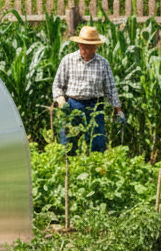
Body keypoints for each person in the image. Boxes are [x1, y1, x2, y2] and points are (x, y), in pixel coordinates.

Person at [51, 25, 125, 154]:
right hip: (72, 106)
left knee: (97, 143)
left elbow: (110, 88)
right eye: (82, 46)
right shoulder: (68, 60)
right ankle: (70, 170)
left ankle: (95, 168)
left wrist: (118, 110)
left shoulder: (103, 63)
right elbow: (57, 85)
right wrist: (61, 101)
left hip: (95, 107)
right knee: (69, 143)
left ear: (95, 47)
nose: (84, 50)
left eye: (88, 47)